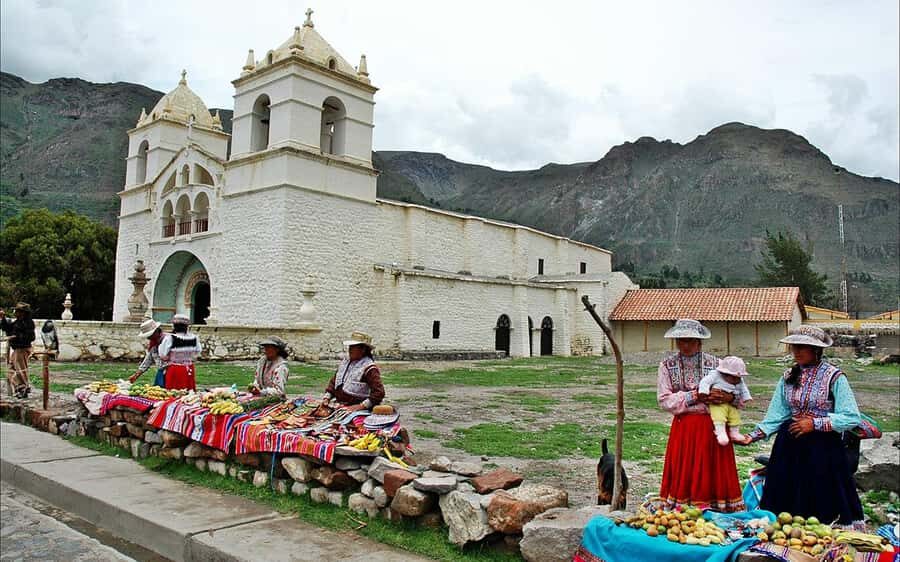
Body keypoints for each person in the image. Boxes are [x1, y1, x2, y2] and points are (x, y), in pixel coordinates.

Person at [739, 325, 864, 528]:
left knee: (820, 497)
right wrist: (753, 436)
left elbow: (851, 417)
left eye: (802, 347)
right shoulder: (788, 376)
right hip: (789, 447)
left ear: (816, 350)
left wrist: (814, 423)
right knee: (785, 499)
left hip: (823, 449)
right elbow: (777, 414)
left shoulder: (834, 377)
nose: (796, 351)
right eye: (794, 346)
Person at [657, 319, 744, 512]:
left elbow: (739, 394)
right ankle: (684, 510)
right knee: (686, 470)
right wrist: (694, 395)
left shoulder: (718, 365)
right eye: (681, 340)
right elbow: (664, 400)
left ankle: (718, 509)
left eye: (690, 340)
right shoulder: (667, 366)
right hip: (685, 428)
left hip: (714, 426)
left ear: (699, 341)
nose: (685, 345)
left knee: (713, 472)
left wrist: (727, 396)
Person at [322, 331, 385, 412]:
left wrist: (360, 406)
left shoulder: (369, 368)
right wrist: (327, 397)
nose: (350, 350)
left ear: (363, 349)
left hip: (357, 408)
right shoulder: (345, 362)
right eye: (350, 347)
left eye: (353, 347)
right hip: (340, 405)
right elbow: (335, 381)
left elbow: (379, 393)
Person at [698, 356, 752, 445]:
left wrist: (746, 397)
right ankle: (720, 433)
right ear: (724, 374)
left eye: (738, 377)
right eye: (733, 377)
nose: (737, 380)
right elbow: (705, 382)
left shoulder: (738, 380)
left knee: (735, 416)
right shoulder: (715, 375)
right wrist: (703, 392)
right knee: (719, 416)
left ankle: (734, 433)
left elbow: (743, 388)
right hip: (717, 403)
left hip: (731, 404)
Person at [0, 303, 36, 399]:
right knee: (11, 370)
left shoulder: (28, 322)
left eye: (17, 311)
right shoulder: (18, 322)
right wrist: (3, 318)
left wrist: (16, 337)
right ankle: (20, 387)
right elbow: (7, 328)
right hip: (16, 349)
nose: (15, 312)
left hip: (22, 348)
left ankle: (24, 388)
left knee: (20, 370)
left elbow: (31, 337)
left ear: (22, 313)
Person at [158, 314, 201, 390]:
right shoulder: (194, 338)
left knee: (174, 392)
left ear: (174, 325)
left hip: (175, 369)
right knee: (188, 393)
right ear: (186, 326)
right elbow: (197, 353)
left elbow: (163, 355)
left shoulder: (170, 338)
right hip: (189, 368)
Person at [129, 319, 165, 385]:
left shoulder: (167, 340)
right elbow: (148, 360)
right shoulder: (153, 344)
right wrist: (136, 375)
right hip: (161, 373)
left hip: (171, 373)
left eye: (150, 335)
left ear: (156, 331)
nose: (148, 338)